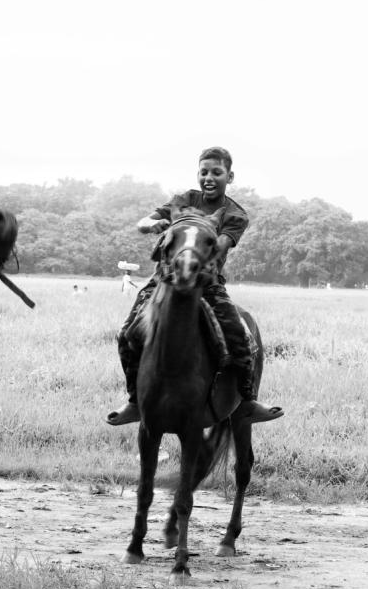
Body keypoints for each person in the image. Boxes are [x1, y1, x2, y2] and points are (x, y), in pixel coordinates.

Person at [106, 146, 283, 426]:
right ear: (197, 174)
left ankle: (247, 402)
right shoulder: (184, 200)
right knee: (126, 335)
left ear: (230, 176)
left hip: (207, 283)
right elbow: (143, 222)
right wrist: (151, 225)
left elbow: (221, 244)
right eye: (204, 172)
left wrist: (195, 240)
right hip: (164, 280)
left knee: (240, 339)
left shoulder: (235, 214)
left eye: (216, 172)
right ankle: (134, 401)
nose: (209, 177)